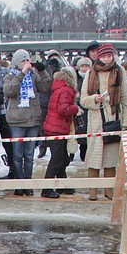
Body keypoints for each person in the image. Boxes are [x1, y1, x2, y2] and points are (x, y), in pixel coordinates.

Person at [80, 43, 127, 201]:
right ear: (98, 56)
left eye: (109, 56)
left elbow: (126, 98)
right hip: (96, 118)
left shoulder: (119, 72)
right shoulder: (91, 72)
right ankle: (93, 190)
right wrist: (95, 99)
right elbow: (83, 99)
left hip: (114, 116)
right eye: (104, 56)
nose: (106, 59)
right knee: (94, 156)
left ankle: (109, 189)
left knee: (111, 156)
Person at [3, 50, 52, 194]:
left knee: (29, 155)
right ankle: (19, 184)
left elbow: (45, 88)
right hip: (17, 120)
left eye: (27, 61)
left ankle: (28, 183)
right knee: (17, 155)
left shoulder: (34, 76)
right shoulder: (10, 76)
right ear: (17, 63)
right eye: (22, 61)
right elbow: (9, 91)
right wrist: (22, 73)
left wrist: (43, 72)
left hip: (33, 119)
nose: (26, 64)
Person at [41, 68, 78, 198]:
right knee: (57, 159)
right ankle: (46, 188)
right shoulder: (67, 89)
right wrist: (76, 108)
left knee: (62, 158)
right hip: (58, 128)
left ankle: (62, 184)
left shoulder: (57, 87)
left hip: (52, 127)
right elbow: (63, 109)